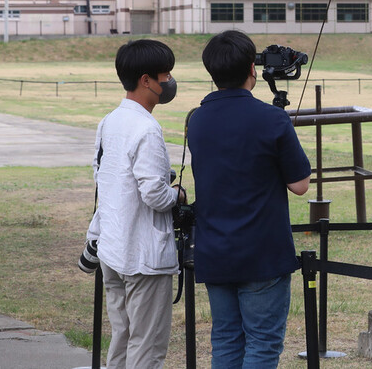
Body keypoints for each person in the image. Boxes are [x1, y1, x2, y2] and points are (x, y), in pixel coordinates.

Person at [187, 30, 311, 368]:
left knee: (226, 341)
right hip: (262, 252)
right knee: (263, 344)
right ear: (252, 69)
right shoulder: (271, 118)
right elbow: (300, 184)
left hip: (215, 250)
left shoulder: (196, 120)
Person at [85, 39, 185, 369]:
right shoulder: (147, 128)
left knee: (123, 337)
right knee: (147, 344)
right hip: (143, 257)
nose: (169, 82)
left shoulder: (108, 121)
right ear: (146, 81)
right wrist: (179, 195)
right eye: (165, 75)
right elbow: (155, 195)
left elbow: (104, 178)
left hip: (112, 250)